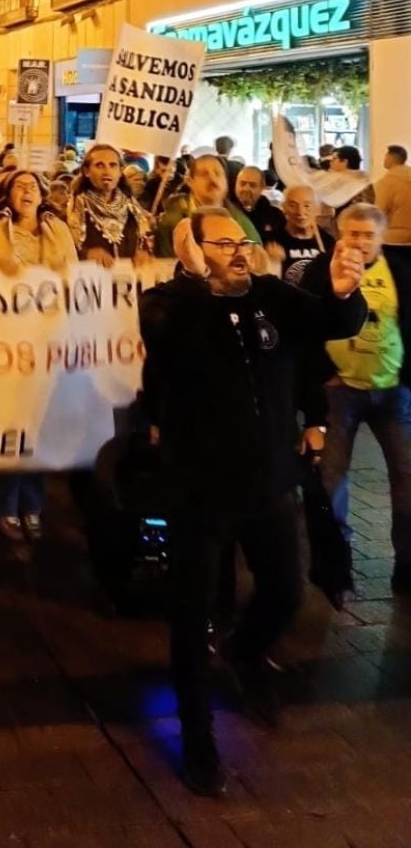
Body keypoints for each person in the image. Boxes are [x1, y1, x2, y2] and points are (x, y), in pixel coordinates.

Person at [139, 207, 365, 796]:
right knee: (189, 617)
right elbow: (168, 347)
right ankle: (197, 739)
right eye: (224, 243)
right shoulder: (167, 302)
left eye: (243, 241)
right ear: (194, 250)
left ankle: (245, 651)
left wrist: (344, 292)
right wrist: (193, 283)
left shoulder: (270, 296)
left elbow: (328, 324)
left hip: (266, 482)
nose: (240, 250)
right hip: (198, 490)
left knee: (285, 591)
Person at [302, 204, 411, 595]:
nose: (361, 242)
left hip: (391, 390)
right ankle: (337, 560)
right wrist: (317, 383)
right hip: (339, 393)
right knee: (331, 479)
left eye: (369, 235)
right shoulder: (320, 270)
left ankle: (407, 563)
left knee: (407, 476)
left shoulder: (399, 269)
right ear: (339, 235)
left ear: (381, 237)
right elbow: (306, 329)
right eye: (353, 234)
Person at [0, 169, 76, 543]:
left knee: (39, 423)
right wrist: (3, 275)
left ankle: (33, 503)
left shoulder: (57, 228)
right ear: (7, 194)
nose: (27, 192)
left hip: (45, 338)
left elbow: (72, 276)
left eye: (33, 187)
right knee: (9, 422)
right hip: (4, 339)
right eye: (20, 186)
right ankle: (5, 504)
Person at [154, 155, 260, 258]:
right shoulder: (172, 222)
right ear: (190, 181)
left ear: (226, 182)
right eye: (204, 174)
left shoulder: (240, 222)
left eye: (218, 174)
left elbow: (256, 261)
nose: (213, 179)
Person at [65, 144, 154, 263]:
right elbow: (63, 249)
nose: (107, 171)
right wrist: (86, 254)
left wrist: (142, 252)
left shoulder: (132, 207)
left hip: (126, 278)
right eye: (99, 165)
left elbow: (143, 241)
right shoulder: (74, 207)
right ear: (86, 171)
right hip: (88, 278)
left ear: (120, 171)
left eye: (113, 165)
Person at [266, 184, 333, 284]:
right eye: (293, 205)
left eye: (307, 206)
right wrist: (273, 264)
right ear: (283, 208)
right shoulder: (271, 241)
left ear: (317, 209)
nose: (300, 212)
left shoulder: (328, 243)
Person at [232, 165, 283, 244]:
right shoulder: (227, 212)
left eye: (252, 185)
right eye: (242, 183)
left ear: (262, 187)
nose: (246, 189)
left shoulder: (275, 215)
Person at [376, 145, 411, 252]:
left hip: (395, 240)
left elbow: (379, 212)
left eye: (385, 156)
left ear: (390, 158)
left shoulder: (387, 182)